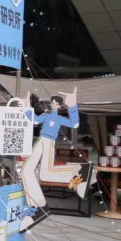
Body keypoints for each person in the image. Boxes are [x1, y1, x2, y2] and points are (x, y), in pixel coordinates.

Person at [17, 87, 92, 231]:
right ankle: (38, 205)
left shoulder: (59, 118)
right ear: (51, 104)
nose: (54, 105)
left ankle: (39, 206)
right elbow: (35, 121)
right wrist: (27, 107)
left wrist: (72, 106)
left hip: (49, 142)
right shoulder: (46, 116)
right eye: (53, 103)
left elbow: (75, 124)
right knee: (29, 171)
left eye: (57, 104)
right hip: (41, 141)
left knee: (42, 173)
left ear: (59, 106)